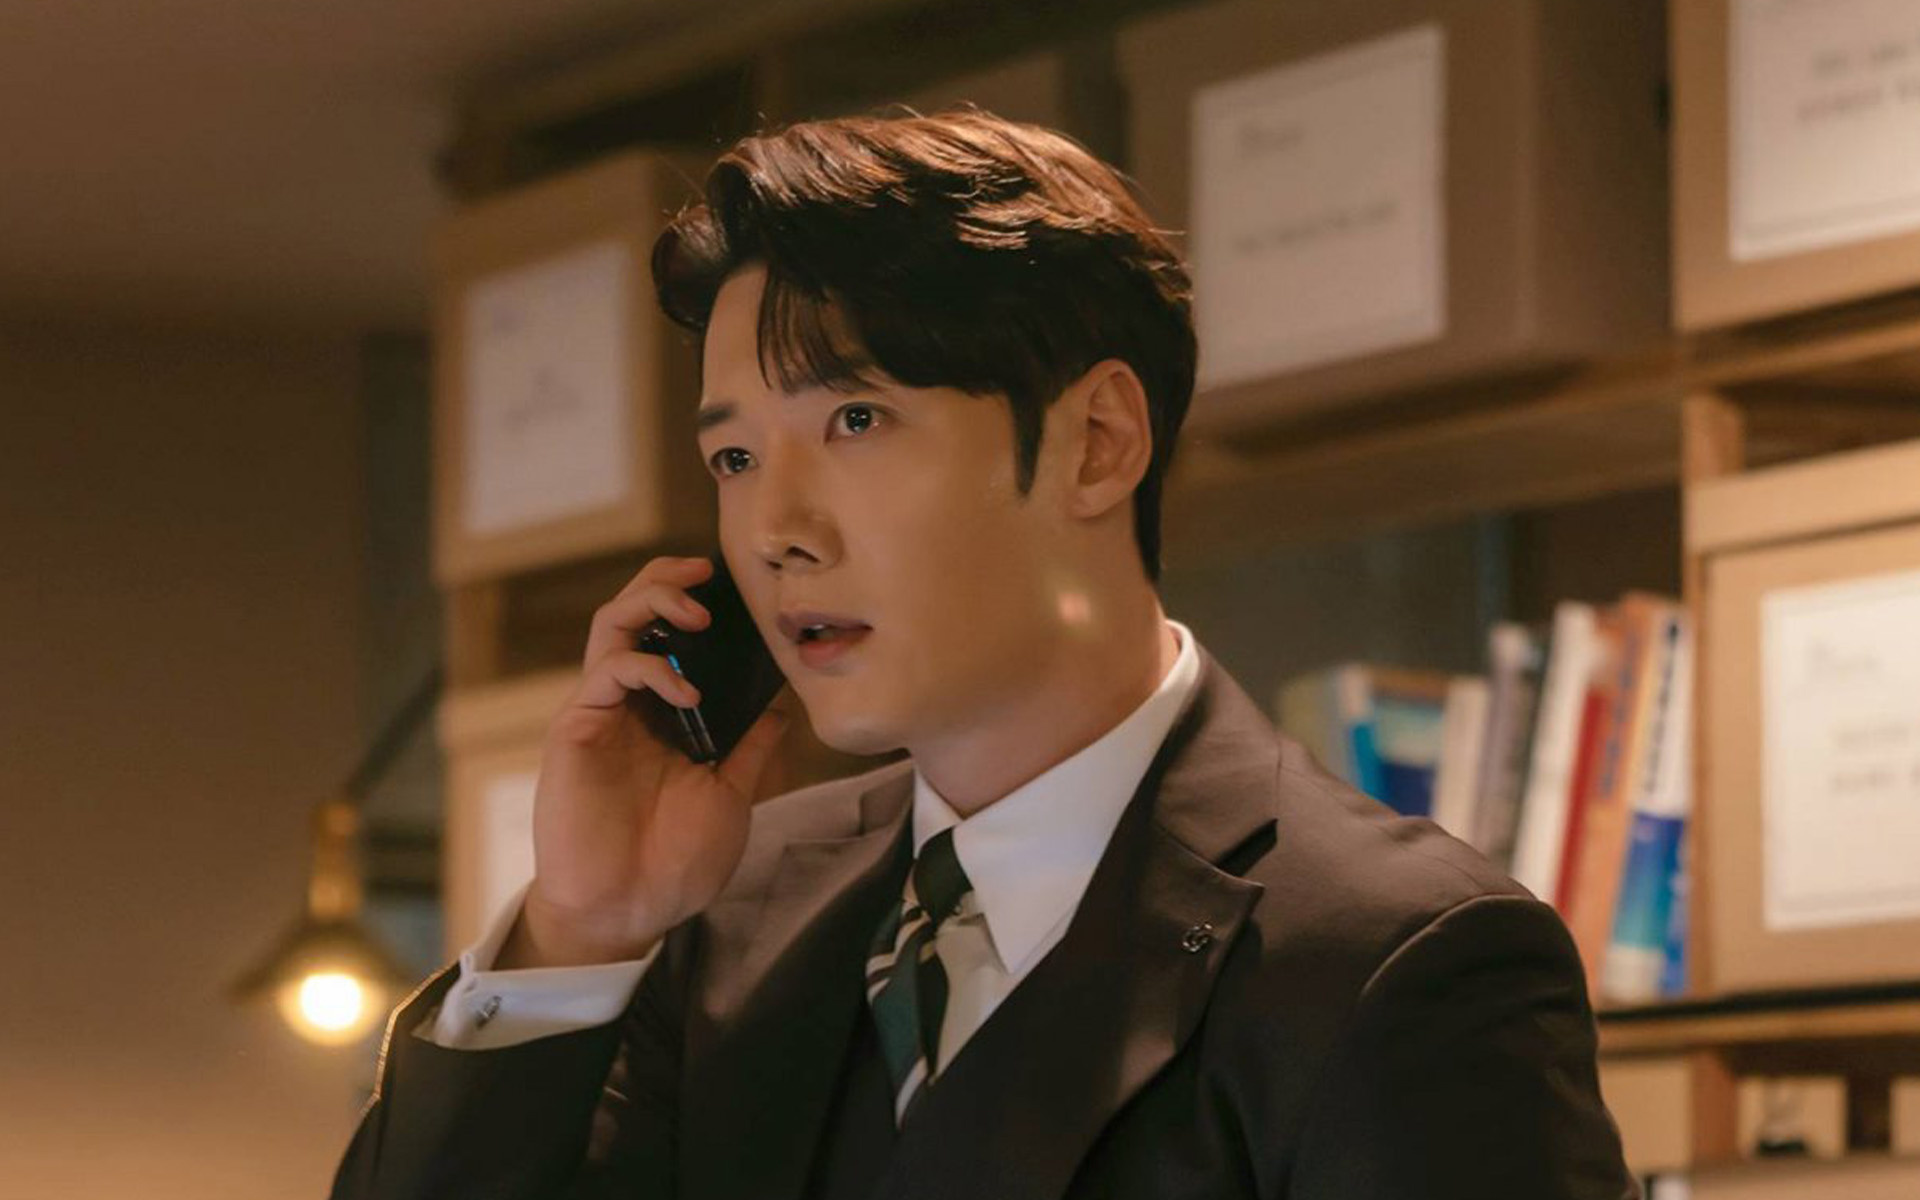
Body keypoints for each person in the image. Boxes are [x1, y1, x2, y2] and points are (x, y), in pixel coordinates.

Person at [329, 108, 1638, 1200]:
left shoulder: (1393, 958)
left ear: (1097, 443)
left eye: (854, 419)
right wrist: (578, 930)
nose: (774, 530)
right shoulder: (729, 915)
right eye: (732, 457)